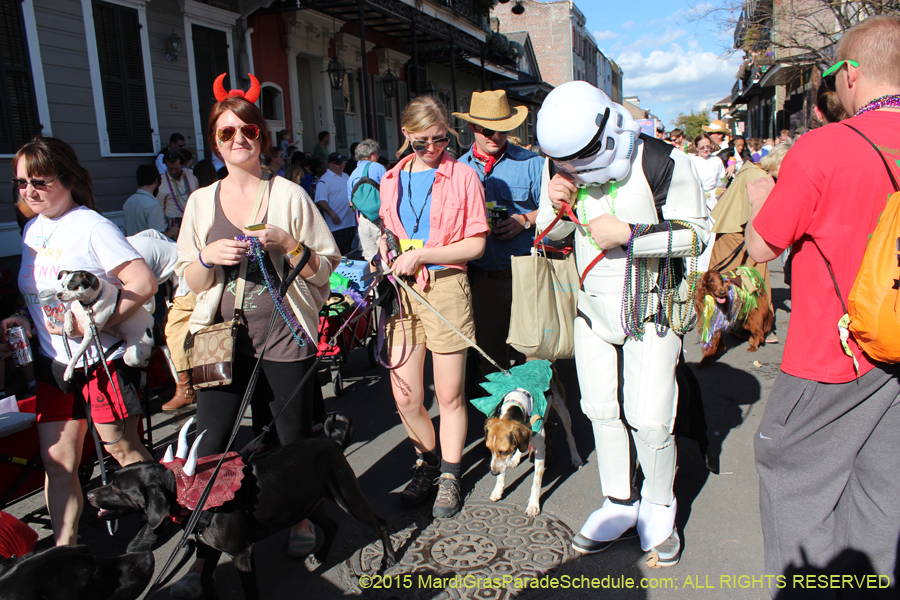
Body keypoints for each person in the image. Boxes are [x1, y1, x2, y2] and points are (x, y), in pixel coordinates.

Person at [746, 15, 900, 593]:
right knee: (883, 493)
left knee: (795, 483)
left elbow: (763, 243)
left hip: (833, 354)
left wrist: (764, 192)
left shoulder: (823, 147)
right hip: (898, 351)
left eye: (835, 73)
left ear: (852, 73)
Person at [171, 76, 340, 598]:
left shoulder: (287, 194)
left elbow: (328, 270)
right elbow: (187, 278)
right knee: (210, 442)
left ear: (262, 137)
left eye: (248, 130)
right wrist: (207, 258)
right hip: (220, 337)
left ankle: (302, 520)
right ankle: (203, 548)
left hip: (285, 332)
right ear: (214, 141)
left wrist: (289, 243)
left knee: (288, 437)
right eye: (227, 133)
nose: (238, 139)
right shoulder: (202, 203)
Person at [536, 81, 709, 566]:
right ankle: (617, 499)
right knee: (599, 410)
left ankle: (658, 504)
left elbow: (696, 235)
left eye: (579, 157)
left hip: (649, 307)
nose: (573, 167)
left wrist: (632, 236)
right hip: (592, 307)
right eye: (564, 160)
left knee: (651, 417)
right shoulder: (561, 166)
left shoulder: (662, 160)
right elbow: (548, 241)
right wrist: (554, 204)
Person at [3, 137, 157, 547]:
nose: (29, 191)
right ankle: (63, 551)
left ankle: (177, 519)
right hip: (54, 364)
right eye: (20, 183)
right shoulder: (33, 229)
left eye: (39, 181)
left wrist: (99, 321)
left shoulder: (91, 225)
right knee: (59, 464)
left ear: (67, 179)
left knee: (124, 452)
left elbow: (143, 282)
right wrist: (24, 317)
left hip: (100, 362)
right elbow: (40, 294)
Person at [379, 95, 489, 519]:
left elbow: (477, 244)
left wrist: (423, 255)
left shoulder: (462, 176)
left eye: (439, 139)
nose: (431, 148)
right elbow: (389, 232)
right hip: (402, 288)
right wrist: (386, 255)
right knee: (405, 396)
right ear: (405, 135)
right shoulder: (391, 178)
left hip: (445, 285)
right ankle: (426, 462)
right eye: (422, 141)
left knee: (448, 393)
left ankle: (449, 474)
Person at [454, 90, 542, 377]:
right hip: (481, 279)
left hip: (525, 276)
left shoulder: (532, 163)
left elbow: (558, 211)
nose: (496, 136)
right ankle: (497, 420)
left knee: (534, 357)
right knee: (491, 361)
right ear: (472, 129)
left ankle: (537, 418)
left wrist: (524, 220)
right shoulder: (457, 170)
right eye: (487, 130)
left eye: (503, 130)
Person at [707, 142, 791, 344]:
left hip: (735, 230)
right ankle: (756, 328)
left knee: (737, 280)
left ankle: (741, 325)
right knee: (754, 280)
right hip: (741, 233)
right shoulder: (758, 176)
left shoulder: (754, 170)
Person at [690, 133, 727, 271]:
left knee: (712, 232)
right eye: (702, 147)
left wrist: (720, 190)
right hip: (697, 196)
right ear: (697, 147)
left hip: (712, 197)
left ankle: (711, 265)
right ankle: (696, 267)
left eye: (708, 146)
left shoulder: (716, 160)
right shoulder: (692, 160)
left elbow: (722, 178)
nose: (706, 150)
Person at [347, 139, 387, 261]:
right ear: (371, 155)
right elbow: (390, 191)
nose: (378, 156)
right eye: (377, 153)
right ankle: (388, 280)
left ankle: (375, 280)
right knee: (387, 254)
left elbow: (351, 203)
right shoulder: (377, 167)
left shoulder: (352, 175)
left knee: (371, 259)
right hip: (381, 218)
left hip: (363, 220)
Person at [315, 152, 355, 255]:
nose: (341, 165)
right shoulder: (324, 180)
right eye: (338, 163)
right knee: (341, 253)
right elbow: (320, 200)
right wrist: (332, 213)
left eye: (343, 162)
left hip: (350, 221)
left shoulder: (346, 176)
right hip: (336, 224)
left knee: (351, 251)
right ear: (331, 164)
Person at [156, 149, 198, 240]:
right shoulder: (161, 181)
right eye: (170, 169)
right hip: (174, 223)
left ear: (182, 164)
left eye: (176, 168)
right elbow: (160, 207)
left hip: (193, 219)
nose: (174, 171)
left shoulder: (192, 175)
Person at [123, 164, 169, 237]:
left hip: (132, 245)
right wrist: (172, 232)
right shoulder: (153, 205)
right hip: (147, 247)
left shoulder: (128, 202)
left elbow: (126, 230)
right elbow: (158, 237)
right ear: (156, 181)